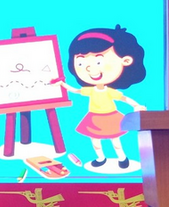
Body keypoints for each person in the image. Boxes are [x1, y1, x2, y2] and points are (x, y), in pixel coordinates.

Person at [57, 25, 146, 169]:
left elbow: (123, 98)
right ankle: (100, 158)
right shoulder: (90, 90)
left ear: (126, 61)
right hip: (94, 118)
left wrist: (136, 105)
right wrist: (62, 84)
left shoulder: (109, 91)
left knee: (115, 141)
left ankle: (122, 158)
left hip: (110, 117)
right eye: (81, 62)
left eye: (99, 61)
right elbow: (76, 91)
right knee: (95, 142)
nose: (89, 68)